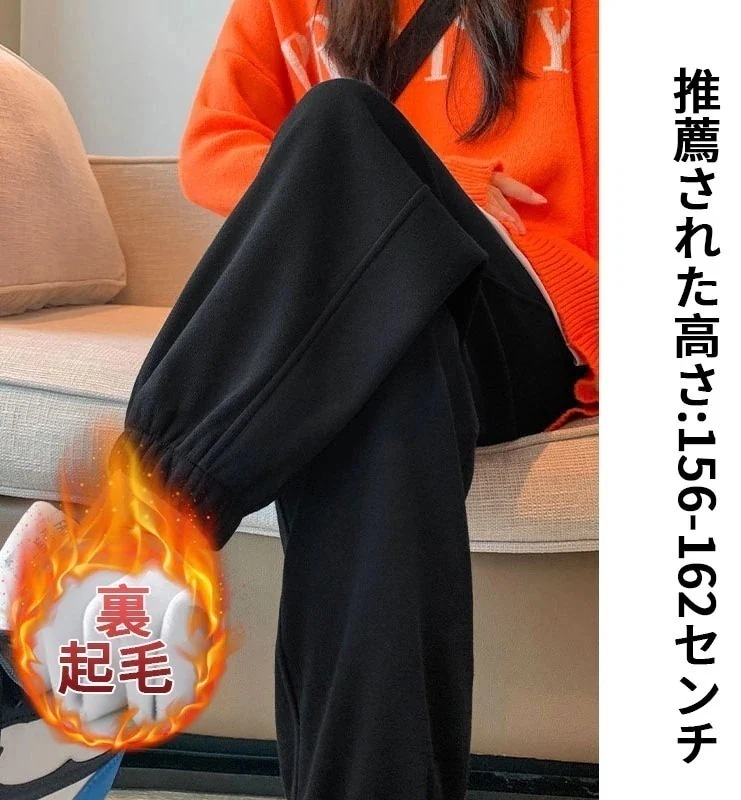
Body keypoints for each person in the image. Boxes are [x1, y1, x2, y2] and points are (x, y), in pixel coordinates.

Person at [113, 1, 598, 798]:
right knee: (390, 372)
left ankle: (139, 523)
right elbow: (213, 148)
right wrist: (402, 193)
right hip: (383, 307)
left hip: (525, 309)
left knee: (341, 119)